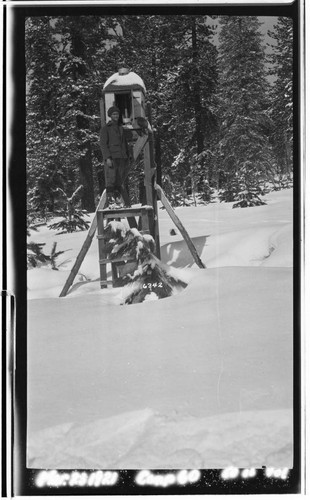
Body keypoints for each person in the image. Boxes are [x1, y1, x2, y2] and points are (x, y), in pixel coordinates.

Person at [100, 106, 132, 206]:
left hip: (122, 158)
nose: (116, 116)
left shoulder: (120, 128)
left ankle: (118, 200)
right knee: (111, 180)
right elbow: (103, 144)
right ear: (110, 116)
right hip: (112, 158)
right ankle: (110, 201)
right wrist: (107, 158)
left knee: (119, 179)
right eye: (114, 114)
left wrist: (127, 156)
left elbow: (125, 143)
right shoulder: (106, 129)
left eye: (117, 114)